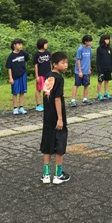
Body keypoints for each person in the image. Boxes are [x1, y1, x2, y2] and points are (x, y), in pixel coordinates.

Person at [40, 52, 71, 184]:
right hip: (56, 116)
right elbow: (57, 99)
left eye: (66, 62)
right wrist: (60, 118)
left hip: (47, 116)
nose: (66, 65)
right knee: (59, 143)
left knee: (47, 143)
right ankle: (58, 175)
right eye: (63, 63)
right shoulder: (59, 78)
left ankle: (46, 174)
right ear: (54, 64)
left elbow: (48, 95)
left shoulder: (48, 76)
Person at [6, 38, 29, 115]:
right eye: (19, 44)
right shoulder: (11, 56)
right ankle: (15, 108)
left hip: (23, 74)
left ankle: (21, 107)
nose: (20, 46)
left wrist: (24, 52)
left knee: (22, 91)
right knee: (15, 92)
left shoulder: (23, 53)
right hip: (15, 76)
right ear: (14, 45)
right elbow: (9, 67)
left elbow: (27, 58)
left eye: (21, 44)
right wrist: (10, 78)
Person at [71, 35, 93, 107]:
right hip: (79, 71)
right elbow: (78, 60)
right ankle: (73, 100)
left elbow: (89, 59)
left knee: (86, 84)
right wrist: (80, 71)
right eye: (89, 41)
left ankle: (85, 98)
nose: (91, 42)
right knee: (76, 84)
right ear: (85, 41)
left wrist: (89, 68)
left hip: (86, 70)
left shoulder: (89, 48)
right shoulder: (80, 49)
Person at [33, 38, 52, 112]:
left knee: (47, 89)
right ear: (41, 44)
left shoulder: (48, 53)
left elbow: (50, 63)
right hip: (40, 74)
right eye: (45, 44)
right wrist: (37, 76)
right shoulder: (37, 54)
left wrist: (51, 72)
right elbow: (36, 66)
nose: (46, 45)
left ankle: (47, 103)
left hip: (48, 74)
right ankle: (38, 105)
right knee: (39, 89)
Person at [96, 34, 112, 101]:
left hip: (108, 67)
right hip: (101, 68)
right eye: (106, 39)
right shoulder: (99, 49)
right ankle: (99, 94)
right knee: (100, 81)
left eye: (108, 39)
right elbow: (98, 60)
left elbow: (110, 58)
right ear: (103, 40)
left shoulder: (109, 48)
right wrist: (99, 69)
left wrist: (111, 67)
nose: (107, 41)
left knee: (107, 80)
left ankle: (106, 92)